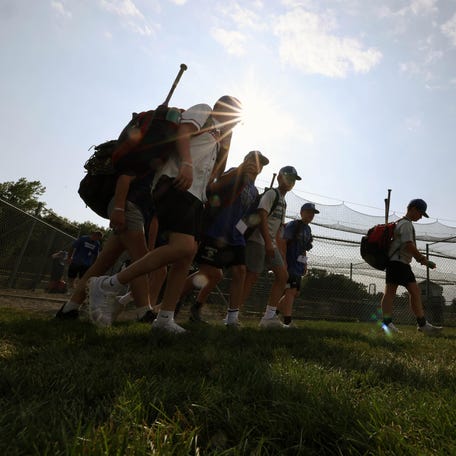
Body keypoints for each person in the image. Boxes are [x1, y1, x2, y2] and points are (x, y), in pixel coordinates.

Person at [86, 95, 242, 333]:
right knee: (182, 247)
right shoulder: (204, 111)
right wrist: (187, 164)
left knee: (186, 256)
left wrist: (225, 143)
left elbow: (215, 174)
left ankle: (165, 318)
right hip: (174, 183)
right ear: (222, 107)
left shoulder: (219, 139)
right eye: (232, 114)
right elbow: (183, 133)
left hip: (195, 197)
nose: (232, 122)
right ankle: (109, 284)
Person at [177, 150, 269, 326]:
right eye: (252, 160)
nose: (255, 165)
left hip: (235, 237)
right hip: (216, 232)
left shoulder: (255, 191)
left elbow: (247, 217)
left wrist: (242, 231)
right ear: (245, 160)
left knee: (240, 271)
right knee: (209, 273)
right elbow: (214, 187)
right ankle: (171, 301)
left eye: (259, 163)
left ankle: (232, 318)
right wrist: (240, 170)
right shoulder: (234, 173)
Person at [55, 171, 156, 322]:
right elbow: (124, 177)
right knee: (141, 261)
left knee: (102, 263)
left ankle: (69, 308)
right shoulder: (158, 153)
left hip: (130, 209)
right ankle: (144, 313)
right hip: (129, 208)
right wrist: (119, 209)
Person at [240, 165, 301, 328]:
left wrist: (280, 250)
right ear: (280, 177)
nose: (290, 182)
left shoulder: (284, 201)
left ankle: (268, 317)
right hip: (258, 241)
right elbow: (262, 215)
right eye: (288, 177)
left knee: (283, 276)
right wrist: (268, 242)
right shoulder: (271, 193)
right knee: (251, 277)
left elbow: (280, 228)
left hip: (271, 244)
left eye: (293, 180)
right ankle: (233, 313)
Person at [381, 198, 442, 335]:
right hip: (398, 262)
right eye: (421, 213)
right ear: (413, 209)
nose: (421, 217)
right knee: (393, 293)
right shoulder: (406, 224)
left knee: (413, 292)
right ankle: (388, 324)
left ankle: (421, 324)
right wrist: (423, 260)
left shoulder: (400, 223)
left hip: (400, 263)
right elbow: (409, 245)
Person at [276, 202, 318, 327]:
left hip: (299, 265)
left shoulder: (308, 229)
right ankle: (287, 321)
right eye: (308, 212)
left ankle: (274, 312)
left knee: (295, 292)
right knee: (291, 290)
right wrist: (283, 260)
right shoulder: (294, 225)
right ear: (301, 212)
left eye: (313, 213)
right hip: (290, 263)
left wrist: (305, 264)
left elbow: (304, 248)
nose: (311, 215)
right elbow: (283, 241)